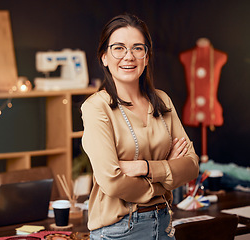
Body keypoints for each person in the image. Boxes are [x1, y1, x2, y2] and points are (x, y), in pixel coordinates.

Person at [81, 13, 199, 240]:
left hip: (164, 224)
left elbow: (192, 165)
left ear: (146, 57)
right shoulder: (97, 107)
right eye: (118, 48)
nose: (129, 57)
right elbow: (112, 182)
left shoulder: (162, 101)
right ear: (104, 57)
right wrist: (164, 183)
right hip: (119, 231)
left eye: (137, 48)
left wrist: (145, 167)